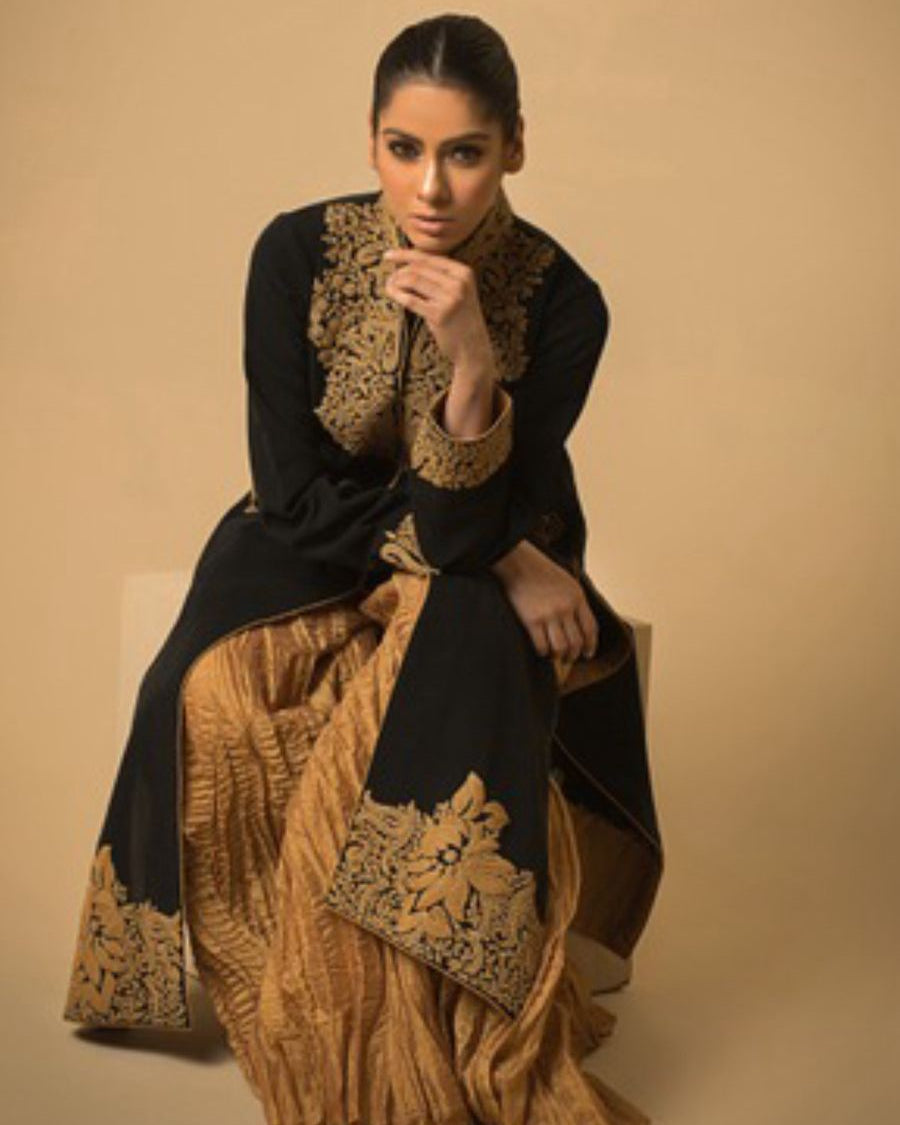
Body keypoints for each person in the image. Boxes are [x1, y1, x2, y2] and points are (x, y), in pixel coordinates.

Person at [62, 13, 664, 1125]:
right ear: (373, 140)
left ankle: (407, 1021)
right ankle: (277, 989)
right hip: (313, 543)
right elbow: (290, 488)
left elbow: (474, 507)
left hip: (491, 539)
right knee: (207, 699)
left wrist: (475, 361)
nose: (429, 186)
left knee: (437, 699)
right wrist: (501, 548)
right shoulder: (292, 254)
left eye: (465, 152)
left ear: (514, 147)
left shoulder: (565, 301)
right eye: (403, 147)